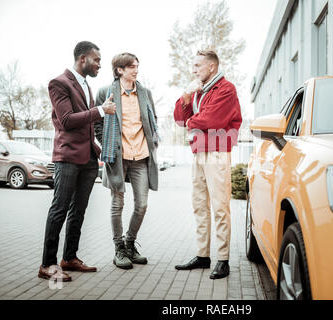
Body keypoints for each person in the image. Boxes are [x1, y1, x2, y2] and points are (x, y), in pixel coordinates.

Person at [38, 41, 116, 282]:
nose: (100, 65)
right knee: (59, 209)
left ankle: (69, 258)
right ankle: (47, 264)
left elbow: (87, 123)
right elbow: (67, 120)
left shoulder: (85, 85)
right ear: (83, 59)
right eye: (97, 60)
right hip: (68, 157)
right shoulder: (59, 83)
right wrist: (101, 110)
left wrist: (98, 147)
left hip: (89, 158)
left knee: (78, 211)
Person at [173, 50, 242, 279]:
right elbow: (178, 118)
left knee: (220, 207)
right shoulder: (198, 91)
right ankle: (203, 255)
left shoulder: (226, 88)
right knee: (200, 205)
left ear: (211, 67)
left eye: (197, 65)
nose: (194, 69)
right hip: (199, 152)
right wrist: (185, 96)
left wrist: (191, 122)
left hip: (217, 152)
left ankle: (223, 260)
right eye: (193, 65)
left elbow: (213, 120)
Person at [94, 53, 159, 270]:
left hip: (141, 156)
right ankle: (118, 248)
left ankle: (130, 243)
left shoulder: (145, 93)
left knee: (142, 204)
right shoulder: (106, 92)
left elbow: (153, 120)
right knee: (117, 204)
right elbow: (97, 123)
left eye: (137, 66)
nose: (136, 70)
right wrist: (108, 144)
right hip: (118, 156)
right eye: (131, 66)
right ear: (119, 70)